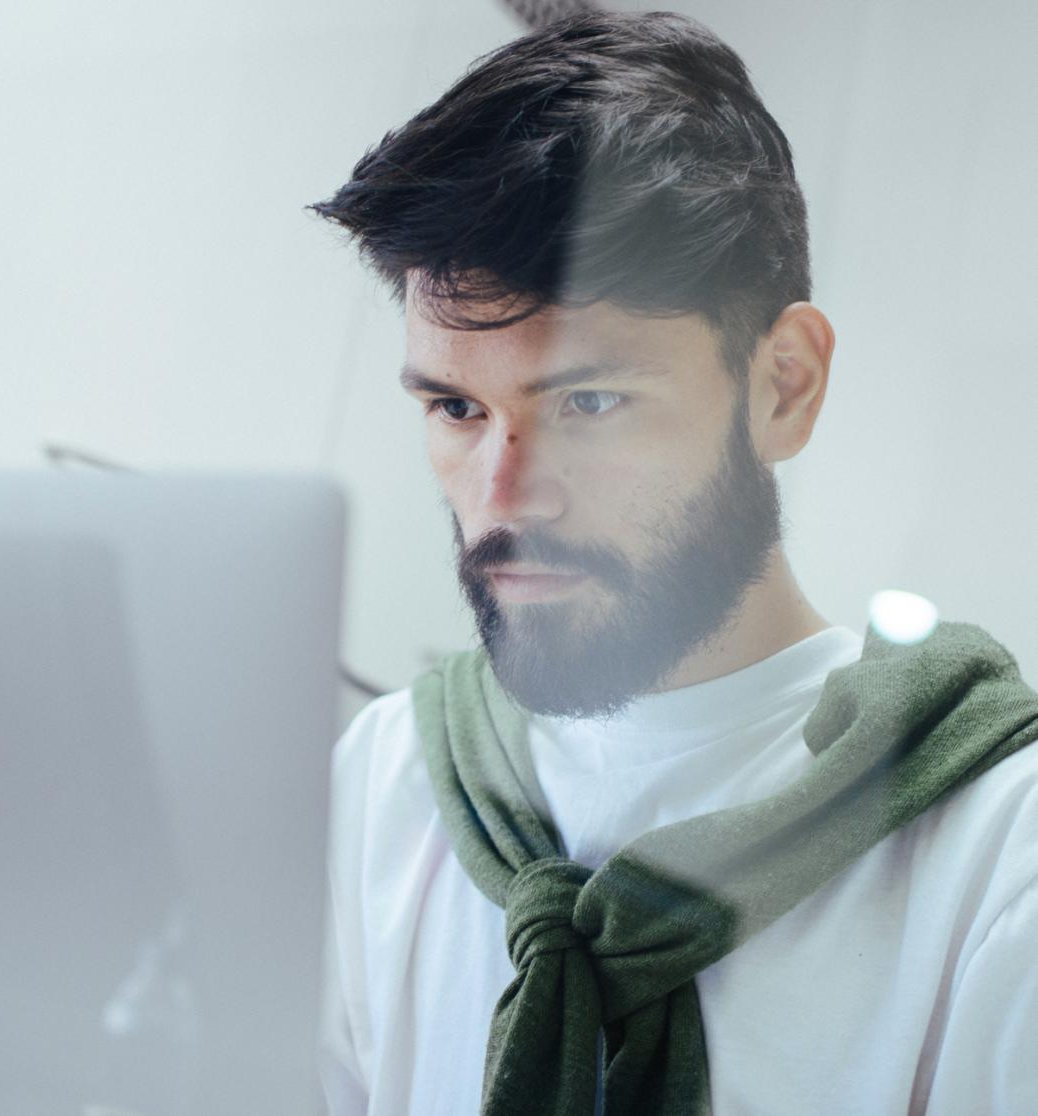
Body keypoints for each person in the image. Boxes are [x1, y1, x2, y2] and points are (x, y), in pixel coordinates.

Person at [311, 11, 1038, 1115]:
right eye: (456, 407)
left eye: (589, 401)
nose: (502, 496)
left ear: (783, 385)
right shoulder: (388, 777)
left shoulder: (997, 853)